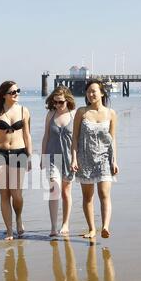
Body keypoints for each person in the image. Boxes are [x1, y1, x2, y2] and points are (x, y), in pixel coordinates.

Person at [71, 79, 119, 238]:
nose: (91, 94)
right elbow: (75, 138)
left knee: (104, 193)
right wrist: (74, 158)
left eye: (94, 91)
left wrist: (114, 160)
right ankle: (92, 229)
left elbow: (113, 139)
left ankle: (105, 226)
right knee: (88, 197)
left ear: (102, 93)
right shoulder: (81, 112)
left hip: (105, 158)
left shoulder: (111, 113)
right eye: (88, 91)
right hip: (85, 158)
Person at [0, 81, 32, 240]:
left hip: (19, 153)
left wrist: (29, 155)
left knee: (16, 194)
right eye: (12, 92)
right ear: (4, 95)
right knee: (4, 194)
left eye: (17, 91)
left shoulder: (24, 110)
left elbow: (27, 135)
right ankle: (9, 230)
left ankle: (19, 217)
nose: (16, 94)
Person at [41, 86, 75, 237]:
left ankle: (65, 223)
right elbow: (45, 136)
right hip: (52, 157)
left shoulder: (74, 114)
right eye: (55, 102)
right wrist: (42, 157)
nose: (57, 105)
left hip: (68, 158)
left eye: (60, 102)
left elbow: (77, 140)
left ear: (67, 100)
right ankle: (53, 227)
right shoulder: (50, 114)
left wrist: (76, 159)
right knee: (54, 189)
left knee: (66, 192)